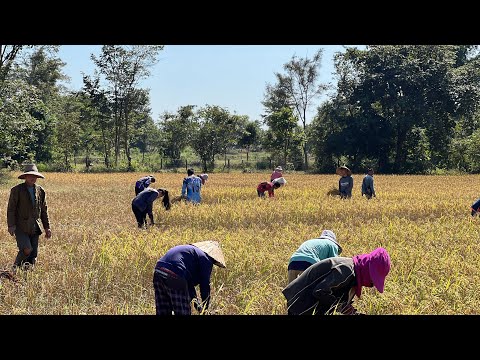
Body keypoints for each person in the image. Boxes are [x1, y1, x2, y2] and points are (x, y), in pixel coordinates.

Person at [282, 247, 391, 315]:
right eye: (373, 278)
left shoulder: (354, 272)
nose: (371, 284)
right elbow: (320, 291)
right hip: (302, 303)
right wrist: (341, 307)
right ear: (367, 270)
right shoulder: (347, 270)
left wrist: (347, 309)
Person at [153, 240, 226, 315]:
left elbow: (189, 286)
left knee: (163, 310)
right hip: (174, 274)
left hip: (158, 270)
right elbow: (205, 286)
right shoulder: (206, 260)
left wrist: (198, 306)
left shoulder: (191, 254)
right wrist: (205, 308)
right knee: (182, 311)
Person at [7, 163, 52, 270]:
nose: (33, 178)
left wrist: (47, 227)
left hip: (35, 226)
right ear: (25, 177)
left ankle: (26, 272)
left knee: (33, 255)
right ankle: (15, 267)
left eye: (35, 176)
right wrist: (11, 225)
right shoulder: (16, 190)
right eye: (30, 175)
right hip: (20, 226)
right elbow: (11, 209)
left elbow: (44, 211)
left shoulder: (40, 191)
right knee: (27, 249)